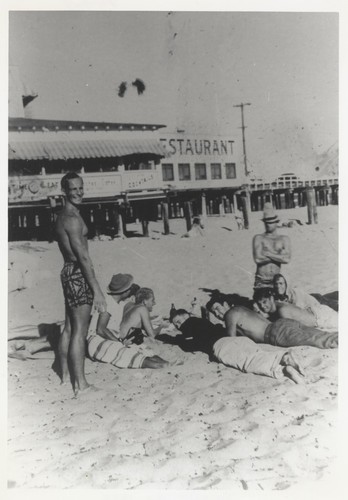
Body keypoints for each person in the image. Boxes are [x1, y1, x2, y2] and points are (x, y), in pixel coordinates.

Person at [55, 172, 107, 395]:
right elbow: (83, 257)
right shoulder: (73, 219)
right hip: (78, 273)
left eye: (80, 188)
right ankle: (82, 385)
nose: (78, 192)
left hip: (67, 271)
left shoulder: (63, 216)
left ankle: (66, 376)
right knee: (80, 331)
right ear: (64, 191)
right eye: (73, 189)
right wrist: (97, 290)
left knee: (68, 328)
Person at [169, 308, 306, 383]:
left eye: (179, 321)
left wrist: (179, 339)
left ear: (187, 316)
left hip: (221, 345)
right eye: (175, 325)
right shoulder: (202, 322)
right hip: (236, 339)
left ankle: (281, 364)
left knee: (247, 362)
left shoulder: (189, 325)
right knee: (255, 352)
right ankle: (283, 361)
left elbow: (190, 345)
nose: (178, 325)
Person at [206, 293, 338, 349]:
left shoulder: (230, 314)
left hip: (274, 333)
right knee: (318, 335)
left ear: (225, 303)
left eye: (217, 308)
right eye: (214, 312)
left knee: (319, 341)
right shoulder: (241, 309)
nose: (217, 313)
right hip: (282, 324)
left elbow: (231, 340)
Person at [87, 279, 169, 369]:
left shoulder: (121, 304)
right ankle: (163, 365)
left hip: (110, 338)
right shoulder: (108, 302)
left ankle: (166, 364)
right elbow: (101, 330)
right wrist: (120, 342)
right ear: (124, 291)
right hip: (98, 341)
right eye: (128, 289)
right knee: (132, 355)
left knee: (144, 351)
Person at [273, 274, 338, 329]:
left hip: (317, 305)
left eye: (281, 283)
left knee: (334, 302)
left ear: (286, 284)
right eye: (276, 284)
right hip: (312, 298)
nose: (278, 286)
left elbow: (299, 311)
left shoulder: (295, 294)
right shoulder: (276, 297)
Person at [252, 203, 291, 289]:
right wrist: (279, 256)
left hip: (277, 281)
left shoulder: (284, 239)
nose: (268, 224)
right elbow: (258, 259)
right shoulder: (258, 238)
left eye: (270, 222)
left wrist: (269, 254)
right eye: (266, 222)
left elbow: (287, 259)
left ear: (276, 222)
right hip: (261, 280)